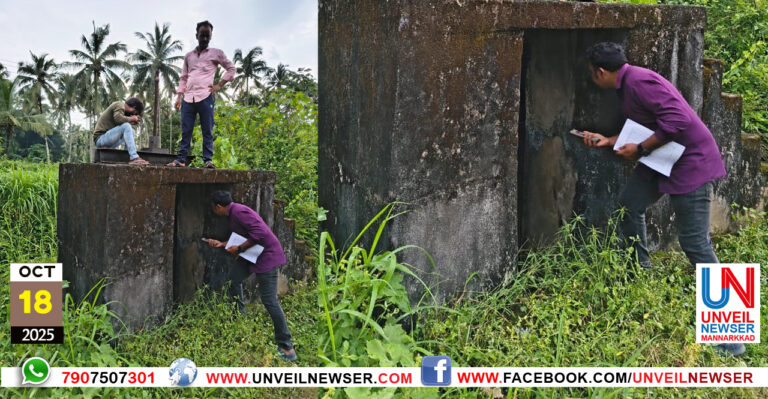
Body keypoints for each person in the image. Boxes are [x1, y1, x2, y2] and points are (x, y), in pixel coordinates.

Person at [578, 42, 743, 356]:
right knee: (629, 206)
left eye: (591, 74)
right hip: (663, 159)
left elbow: (678, 121)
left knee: (696, 244)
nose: (591, 79)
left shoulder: (640, 82)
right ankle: (641, 279)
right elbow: (648, 127)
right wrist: (609, 140)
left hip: (689, 162)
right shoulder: (628, 85)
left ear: (601, 72)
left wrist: (639, 150)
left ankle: (732, 341)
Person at [203, 190, 297, 361]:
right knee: (234, 279)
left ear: (218, 206)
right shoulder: (233, 213)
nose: (213, 211)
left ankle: (287, 347)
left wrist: (238, 249)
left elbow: (259, 234)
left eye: (213, 208)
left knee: (269, 300)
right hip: (252, 254)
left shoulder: (239, 212)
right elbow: (244, 237)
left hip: (266, 256)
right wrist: (222, 244)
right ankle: (238, 316)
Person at [167, 20, 236, 169]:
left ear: (210, 36)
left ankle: (208, 160)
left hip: (205, 96)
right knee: (186, 130)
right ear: (196, 35)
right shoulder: (188, 56)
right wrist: (179, 96)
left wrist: (219, 85)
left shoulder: (216, 53)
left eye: (207, 35)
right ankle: (181, 160)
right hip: (188, 97)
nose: (204, 38)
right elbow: (184, 77)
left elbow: (231, 69)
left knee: (207, 130)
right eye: (202, 35)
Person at [93, 98, 149, 165]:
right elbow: (118, 119)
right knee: (126, 126)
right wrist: (132, 118)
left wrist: (133, 120)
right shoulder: (119, 104)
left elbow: (120, 124)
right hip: (100, 139)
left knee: (132, 131)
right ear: (134, 107)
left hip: (108, 140)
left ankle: (128, 157)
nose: (133, 114)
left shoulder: (122, 113)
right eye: (135, 113)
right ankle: (134, 157)